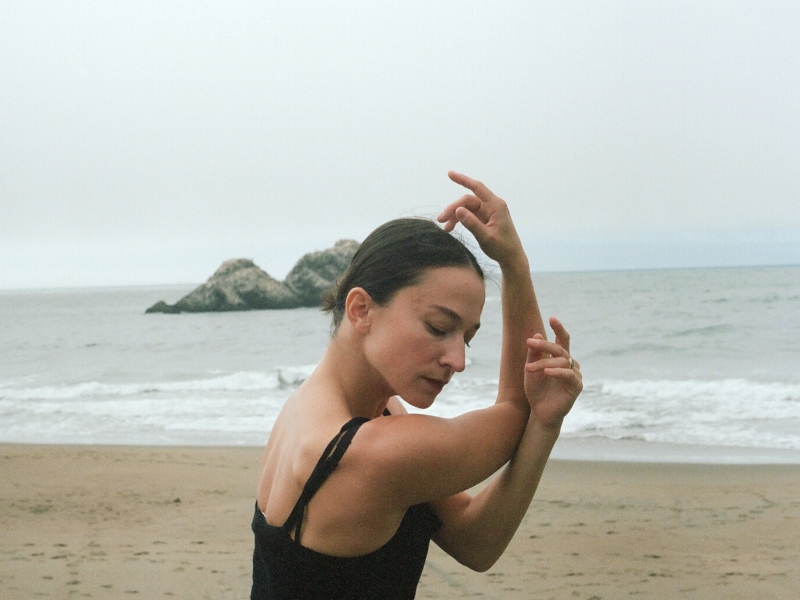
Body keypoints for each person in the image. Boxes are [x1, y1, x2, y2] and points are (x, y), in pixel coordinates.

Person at [251, 172, 583, 599]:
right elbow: (517, 408)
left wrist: (545, 425)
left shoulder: (324, 411)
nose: (458, 360)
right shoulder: (370, 453)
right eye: (439, 326)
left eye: (467, 337)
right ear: (361, 309)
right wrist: (514, 263)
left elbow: (476, 543)